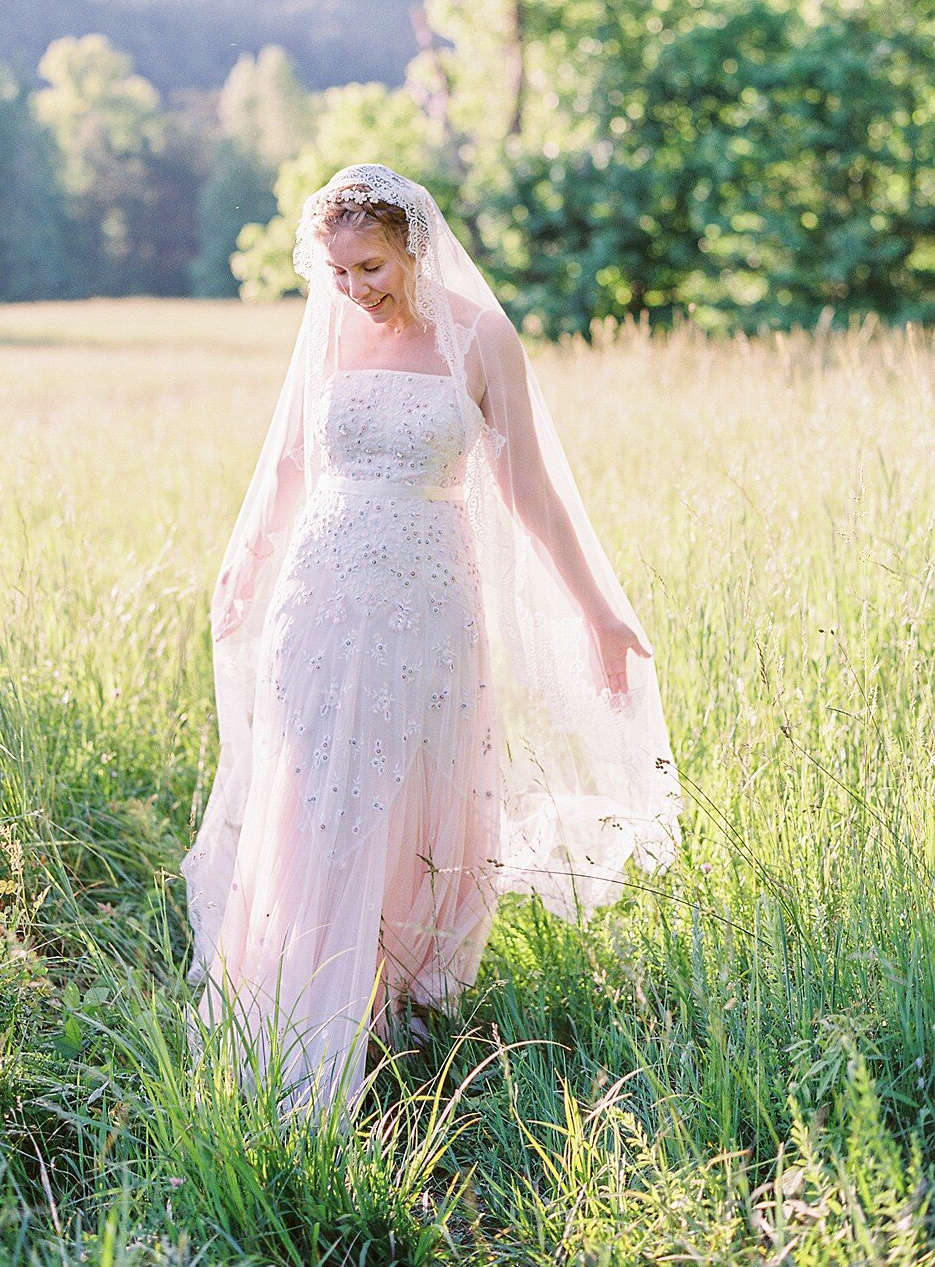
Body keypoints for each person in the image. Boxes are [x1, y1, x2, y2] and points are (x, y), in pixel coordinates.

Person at [180, 163, 682, 1119]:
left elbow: (530, 490)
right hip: (322, 594)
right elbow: (291, 461)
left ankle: (395, 998)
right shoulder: (330, 332)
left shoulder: (482, 339)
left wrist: (601, 612)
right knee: (318, 792)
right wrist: (248, 558)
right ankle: (301, 1010)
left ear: (414, 244)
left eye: (370, 266)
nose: (356, 289)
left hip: (430, 605)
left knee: (412, 792)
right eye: (337, 273)